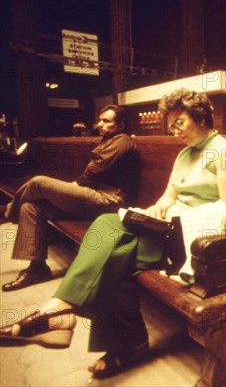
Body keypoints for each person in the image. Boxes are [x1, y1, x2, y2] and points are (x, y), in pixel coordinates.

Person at [0, 88, 226, 379]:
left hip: (200, 234)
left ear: (201, 117)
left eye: (179, 122)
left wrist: (177, 218)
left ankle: (84, 323)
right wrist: (155, 210)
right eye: (171, 124)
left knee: (115, 252)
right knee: (108, 227)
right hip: (167, 228)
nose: (174, 129)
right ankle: (73, 315)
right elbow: (169, 196)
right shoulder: (184, 154)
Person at [0, 105, 138, 292]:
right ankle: (37, 268)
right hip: (93, 196)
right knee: (31, 207)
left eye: (107, 121)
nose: (100, 124)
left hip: (108, 199)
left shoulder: (122, 140)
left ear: (121, 125)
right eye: (100, 120)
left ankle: (7, 211)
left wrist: (77, 184)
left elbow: (96, 169)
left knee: (38, 182)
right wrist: (77, 185)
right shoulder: (108, 140)